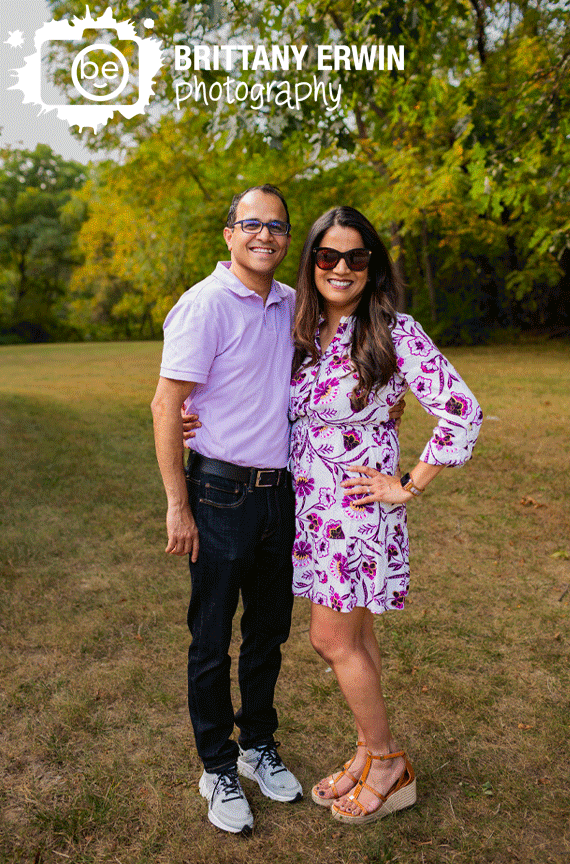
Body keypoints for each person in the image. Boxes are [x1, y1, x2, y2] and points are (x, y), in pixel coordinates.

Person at [289, 206, 482, 824]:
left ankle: (387, 761)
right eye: (329, 256)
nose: (341, 268)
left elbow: (463, 411)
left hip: (357, 514)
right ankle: (369, 757)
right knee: (357, 637)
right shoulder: (302, 330)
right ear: (312, 262)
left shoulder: (395, 331)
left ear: (373, 267)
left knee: (330, 639)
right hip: (312, 513)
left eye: (356, 258)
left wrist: (410, 485)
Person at [151, 184, 304, 835]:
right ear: (229, 234)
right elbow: (165, 404)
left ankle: (254, 747)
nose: (263, 235)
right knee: (212, 640)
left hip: (280, 493)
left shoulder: (293, 303)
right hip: (217, 494)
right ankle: (216, 765)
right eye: (251, 224)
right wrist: (177, 505)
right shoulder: (204, 304)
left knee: (267, 633)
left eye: (275, 225)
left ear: (286, 237)